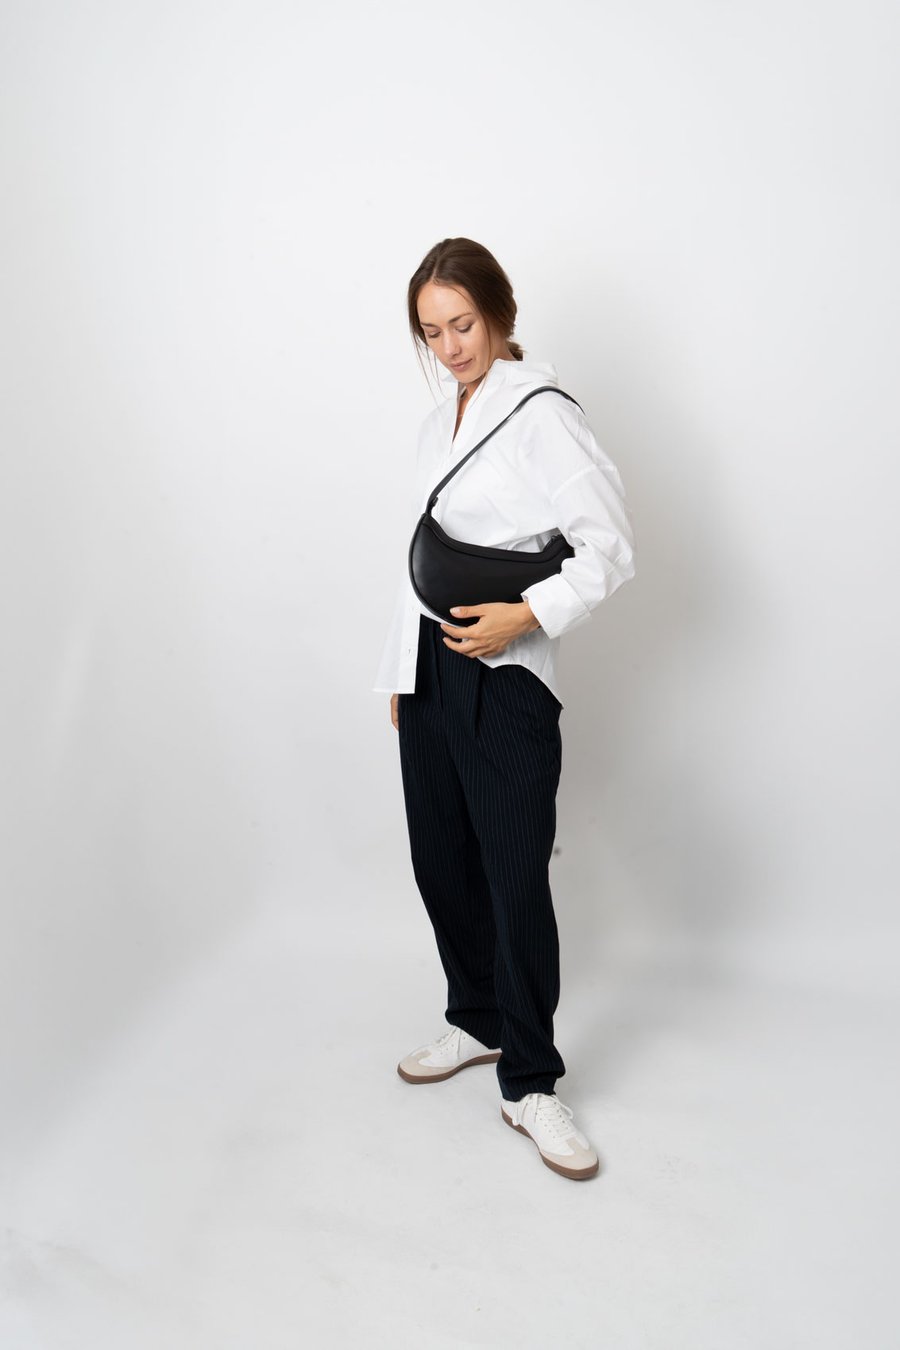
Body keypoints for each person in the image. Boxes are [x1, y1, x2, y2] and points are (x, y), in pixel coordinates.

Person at [373, 237, 635, 1181]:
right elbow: (421, 560)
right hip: (430, 670)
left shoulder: (541, 415)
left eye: (463, 325)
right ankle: (476, 1019)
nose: (450, 348)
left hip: (509, 673)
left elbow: (610, 547)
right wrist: (399, 674)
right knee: (440, 858)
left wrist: (525, 616)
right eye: (431, 332)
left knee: (515, 875)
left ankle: (531, 1081)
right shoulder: (436, 422)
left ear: (499, 313)